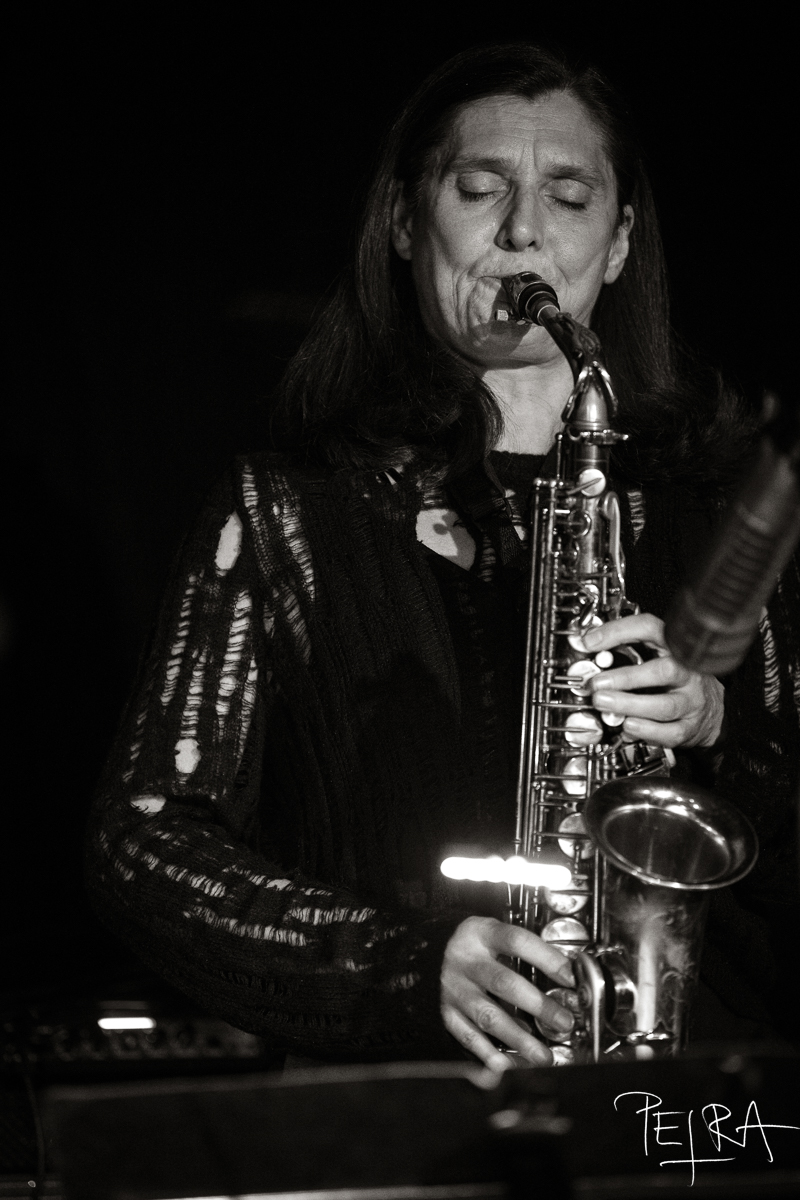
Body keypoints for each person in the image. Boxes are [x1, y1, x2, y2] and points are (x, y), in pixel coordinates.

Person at [85, 43, 799, 1071]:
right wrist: (397, 968)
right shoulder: (286, 510)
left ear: (617, 245)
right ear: (402, 222)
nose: (523, 231)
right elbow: (142, 842)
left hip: (684, 1105)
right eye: (478, 189)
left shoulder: (719, 509)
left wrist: (719, 726)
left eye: (568, 197)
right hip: (400, 1111)